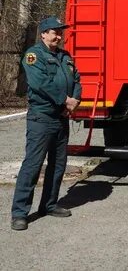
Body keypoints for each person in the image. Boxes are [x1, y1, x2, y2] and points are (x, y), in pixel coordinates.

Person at [11, 17, 81, 231]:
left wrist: (75, 99)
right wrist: (65, 99)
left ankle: (49, 204)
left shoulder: (65, 56)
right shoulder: (34, 55)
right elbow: (40, 83)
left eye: (60, 32)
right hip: (42, 118)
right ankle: (20, 213)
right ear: (42, 34)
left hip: (61, 118)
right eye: (53, 32)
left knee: (58, 165)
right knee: (33, 165)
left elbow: (76, 79)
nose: (58, 36)